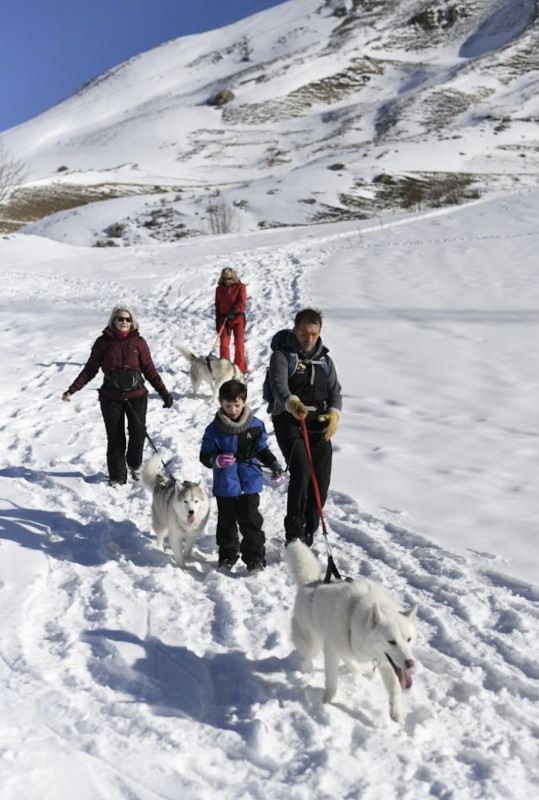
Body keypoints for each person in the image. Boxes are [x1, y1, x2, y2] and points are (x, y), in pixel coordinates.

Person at [61, 305, 173, 486]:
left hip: (136, 395)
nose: (124, 322)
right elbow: (90, 370)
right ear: (113, 320)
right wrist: (72, 389)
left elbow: (149, 370)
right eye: (120, 318)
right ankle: (117, 477)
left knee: (138, 433)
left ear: (132, 322)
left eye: (127, 319)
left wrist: (163, 392)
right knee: (115, 437)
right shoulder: (103, 343)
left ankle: (134, 464)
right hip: (111, 397)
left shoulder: (139, 342)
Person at [267, 308, 342, 546]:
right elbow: (279, 385)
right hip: (289, 422)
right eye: (303, 333)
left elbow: (335, 392)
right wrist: (292, 402)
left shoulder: (325, 361)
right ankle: (294, 534)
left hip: (317, 425)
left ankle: (310, 529)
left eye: (313, 333)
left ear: (319, 332)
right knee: (302, 472)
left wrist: (334, 414)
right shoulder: (282, 356)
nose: (308, 338)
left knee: (320, 481)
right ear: (295, 330)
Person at [199, 379, 283, 572]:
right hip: (226, 485)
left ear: (244, 402)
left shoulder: (255, 425)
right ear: (221, 403)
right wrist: (216, 460)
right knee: (226, 524)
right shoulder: (214, 430)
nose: (233, 410)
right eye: (228, 405)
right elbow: (204, 455)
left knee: (251, 522)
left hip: (250, 482)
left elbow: (262, 449)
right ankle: (227, 556)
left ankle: (254, 558)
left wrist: (273, 463)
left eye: (237, 405)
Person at [215, 268, 248, 374]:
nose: (227, 281)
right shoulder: (219, 289)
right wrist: (217, 320)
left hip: (238, 318)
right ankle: (225, 368)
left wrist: (234, 310)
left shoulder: (240, 287)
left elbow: (242, 303)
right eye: (225, 279)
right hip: (224, 319)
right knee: (224, 344)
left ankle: (240, 367)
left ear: (233, 277)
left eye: (229, 278)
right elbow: (217, 305)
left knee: (239, 343)